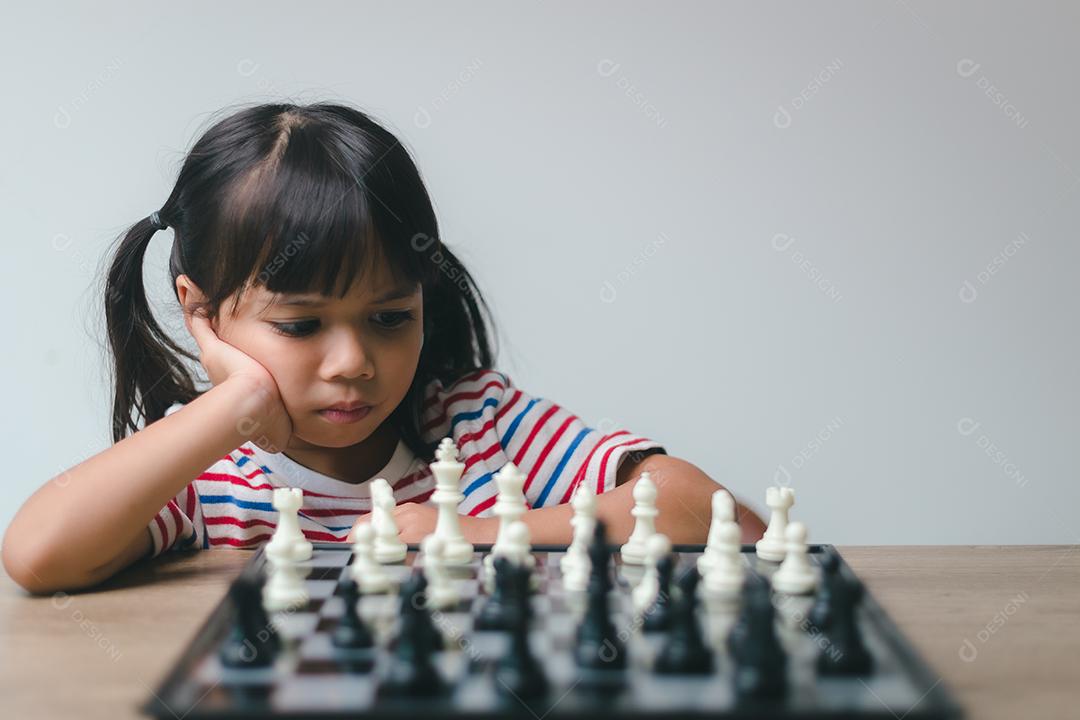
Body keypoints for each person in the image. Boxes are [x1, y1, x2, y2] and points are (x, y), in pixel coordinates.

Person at [2, 102, 765, 594]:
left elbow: (718, 513)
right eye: (300, 326)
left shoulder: (475, 426)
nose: (353, 363)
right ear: (200, 310)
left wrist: (475, 530)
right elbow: (37, 555)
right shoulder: (209, 475)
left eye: (391, 317)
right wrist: (240, 403)